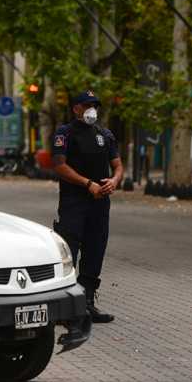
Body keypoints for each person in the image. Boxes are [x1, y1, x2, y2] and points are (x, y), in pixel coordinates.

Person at [51, 90, 122, 324]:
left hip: (100, 203)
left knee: (95, 250)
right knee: (69, 251)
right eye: (87, 105)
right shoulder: (65, 133)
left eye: (95, 105)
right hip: (74, 202)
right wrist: (87, 184)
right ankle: (65, 306)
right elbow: (60, 166)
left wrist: (114, 181)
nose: (92, 109)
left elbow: (118, 166)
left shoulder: (105, 134)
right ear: (76, 109)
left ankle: (87, 302)